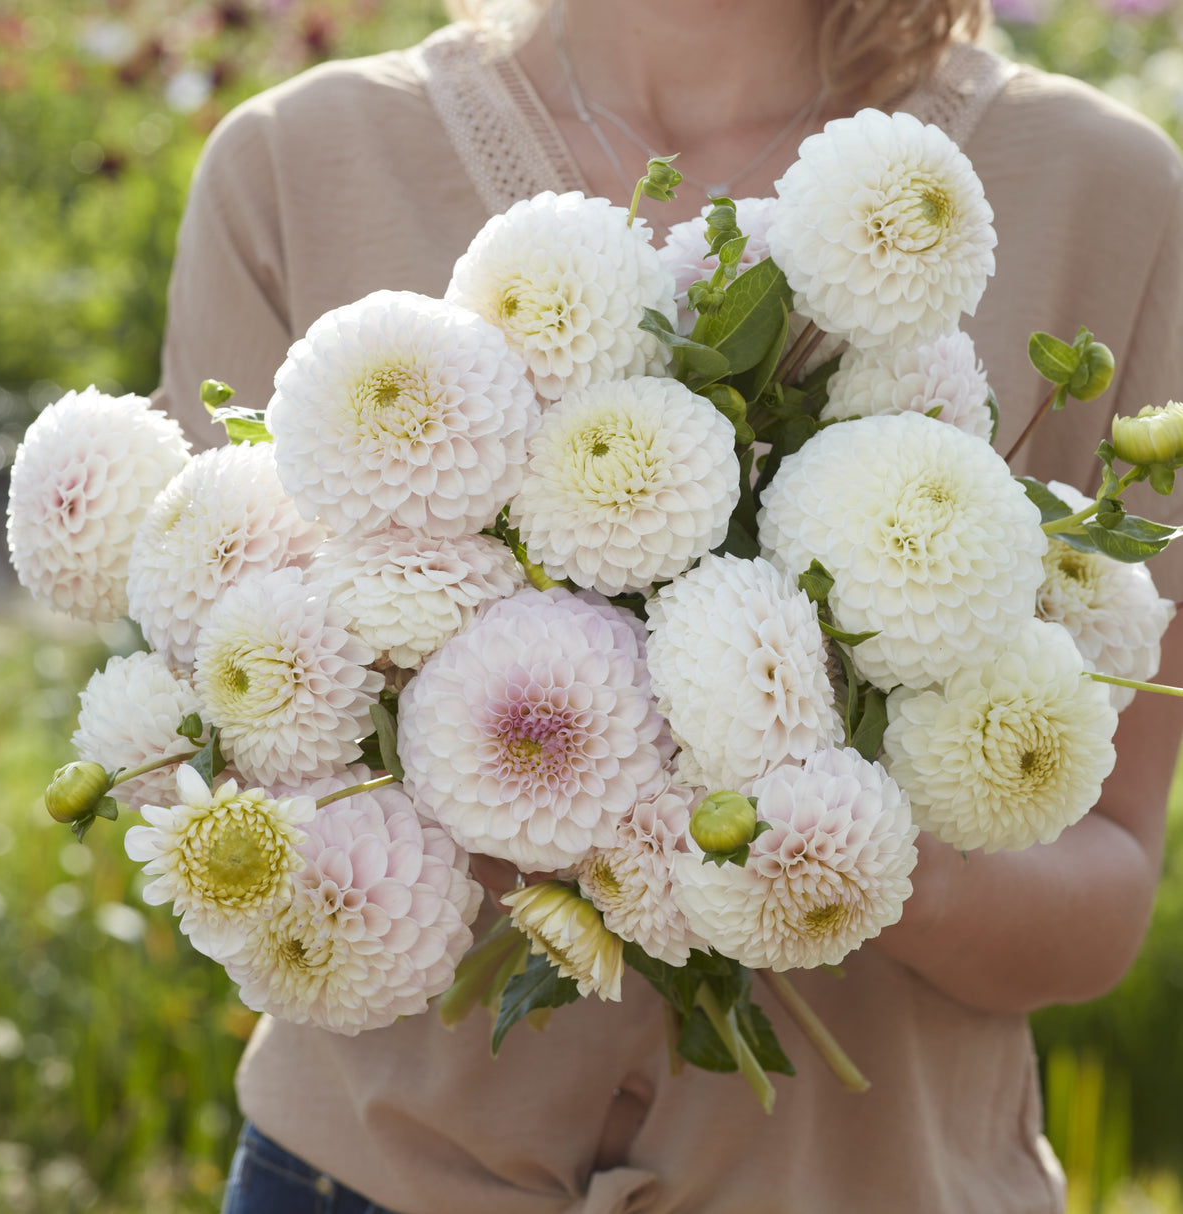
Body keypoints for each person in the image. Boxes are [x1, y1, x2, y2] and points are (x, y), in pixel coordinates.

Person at [154, 0, 1183, 1210]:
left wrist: (834, 842)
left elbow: (1101, 892)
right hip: (361, 1178)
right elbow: (205, 785)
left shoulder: (1104, 192)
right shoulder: (295, 163)